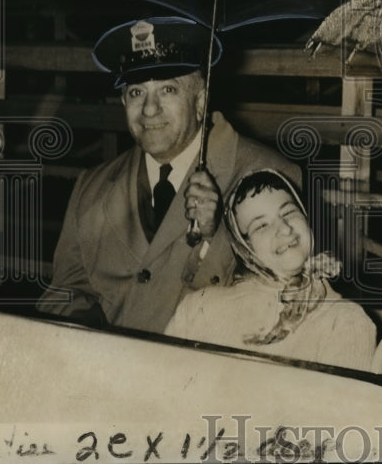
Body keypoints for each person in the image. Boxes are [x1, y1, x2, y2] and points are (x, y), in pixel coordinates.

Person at [37, 17, 300, 334]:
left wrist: (215, 236)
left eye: (168, 89)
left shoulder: (268, 177)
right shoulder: (91, 187)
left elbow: (289, 306)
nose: (149, 110)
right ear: (123, 101)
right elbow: (66, 292)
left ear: (200, 100)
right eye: (136, 92)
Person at [164, 169, 378, 372]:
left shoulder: (345, 322)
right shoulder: (198, 309)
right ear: (244, 248)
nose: (284, 228)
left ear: (307, 217)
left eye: (289, 212)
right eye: (261, 226)